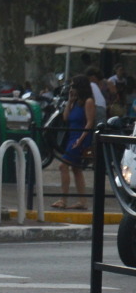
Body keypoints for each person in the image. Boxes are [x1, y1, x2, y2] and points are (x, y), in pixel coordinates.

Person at [55, 74, 95, 210]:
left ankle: (63, 199)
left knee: (63, 166)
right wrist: (70, 101)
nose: (71, 89)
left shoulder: (88, 102)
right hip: (72, 136)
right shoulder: (76, 102)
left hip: (80, 137)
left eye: (73, 86)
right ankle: (82, 201)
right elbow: (66, 117)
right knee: (76, 169)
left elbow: (89, 123)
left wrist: (81, 139)